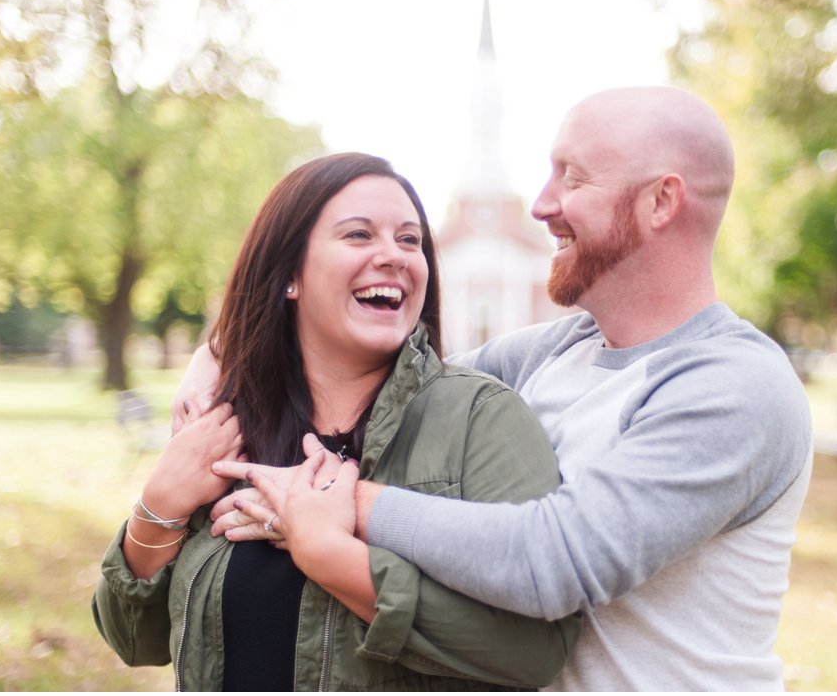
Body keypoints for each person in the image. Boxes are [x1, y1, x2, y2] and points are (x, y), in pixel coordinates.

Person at [192, 87, 813, 691]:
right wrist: (215, 356)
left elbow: (551, 561)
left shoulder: (734, 385)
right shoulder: (555, 351)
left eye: (573, 178)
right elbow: (389, 371)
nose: (542, 205)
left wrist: (337, 503)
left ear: (661, 201)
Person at [93, 153, 581, 691]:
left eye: (410, 240)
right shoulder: (227, 422)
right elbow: (134, 639)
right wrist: (159, 503)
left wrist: (328, 553)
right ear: (289, 276)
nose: (393, 256)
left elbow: (536, 650)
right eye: (358, 235)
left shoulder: (480, 421)